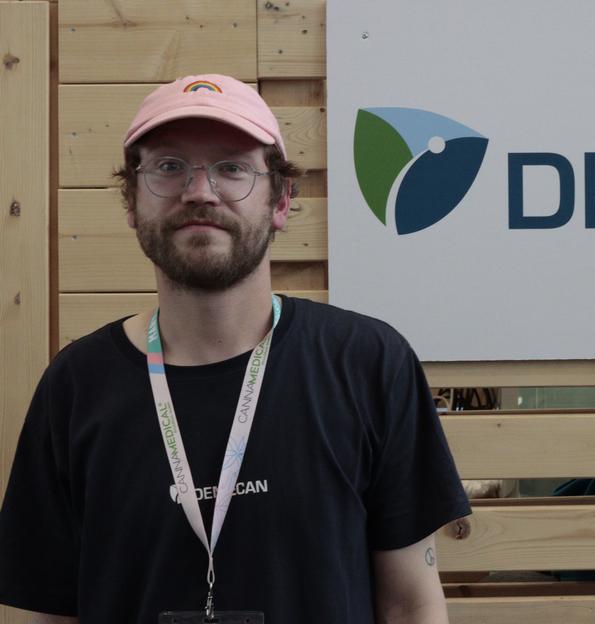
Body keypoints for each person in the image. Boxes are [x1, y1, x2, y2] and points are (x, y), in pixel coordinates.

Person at [0, 74, 470, 623]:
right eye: (170, 167)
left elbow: (412, 603)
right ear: (132, 200)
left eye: (232, 168)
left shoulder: (368, 363)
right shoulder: (76, 385)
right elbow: (48, 613)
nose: (200, 191)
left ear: (281, 200)